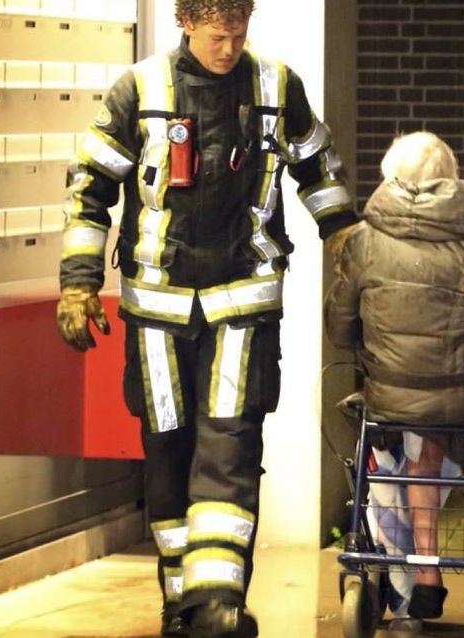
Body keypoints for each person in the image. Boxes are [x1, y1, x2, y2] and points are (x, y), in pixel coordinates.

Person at [55, 1, 355, 636]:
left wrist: (346, 239)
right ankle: (179, 600)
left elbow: (318, 169)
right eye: (219, 36)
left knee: (230, 443)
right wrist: (78, 284)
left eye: (240, 34)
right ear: (186, 25)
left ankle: (216, 600)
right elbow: (90, 188)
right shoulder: (138, 90)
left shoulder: (276, 84)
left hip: (244, 300)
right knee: (167, 449)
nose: (230, 48)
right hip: (157, 310)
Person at [324, 131, 464, 622]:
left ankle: (426, 572)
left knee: (425, 449)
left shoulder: (363, 242)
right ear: (450, 181)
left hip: (394, 399)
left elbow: (340, 329)